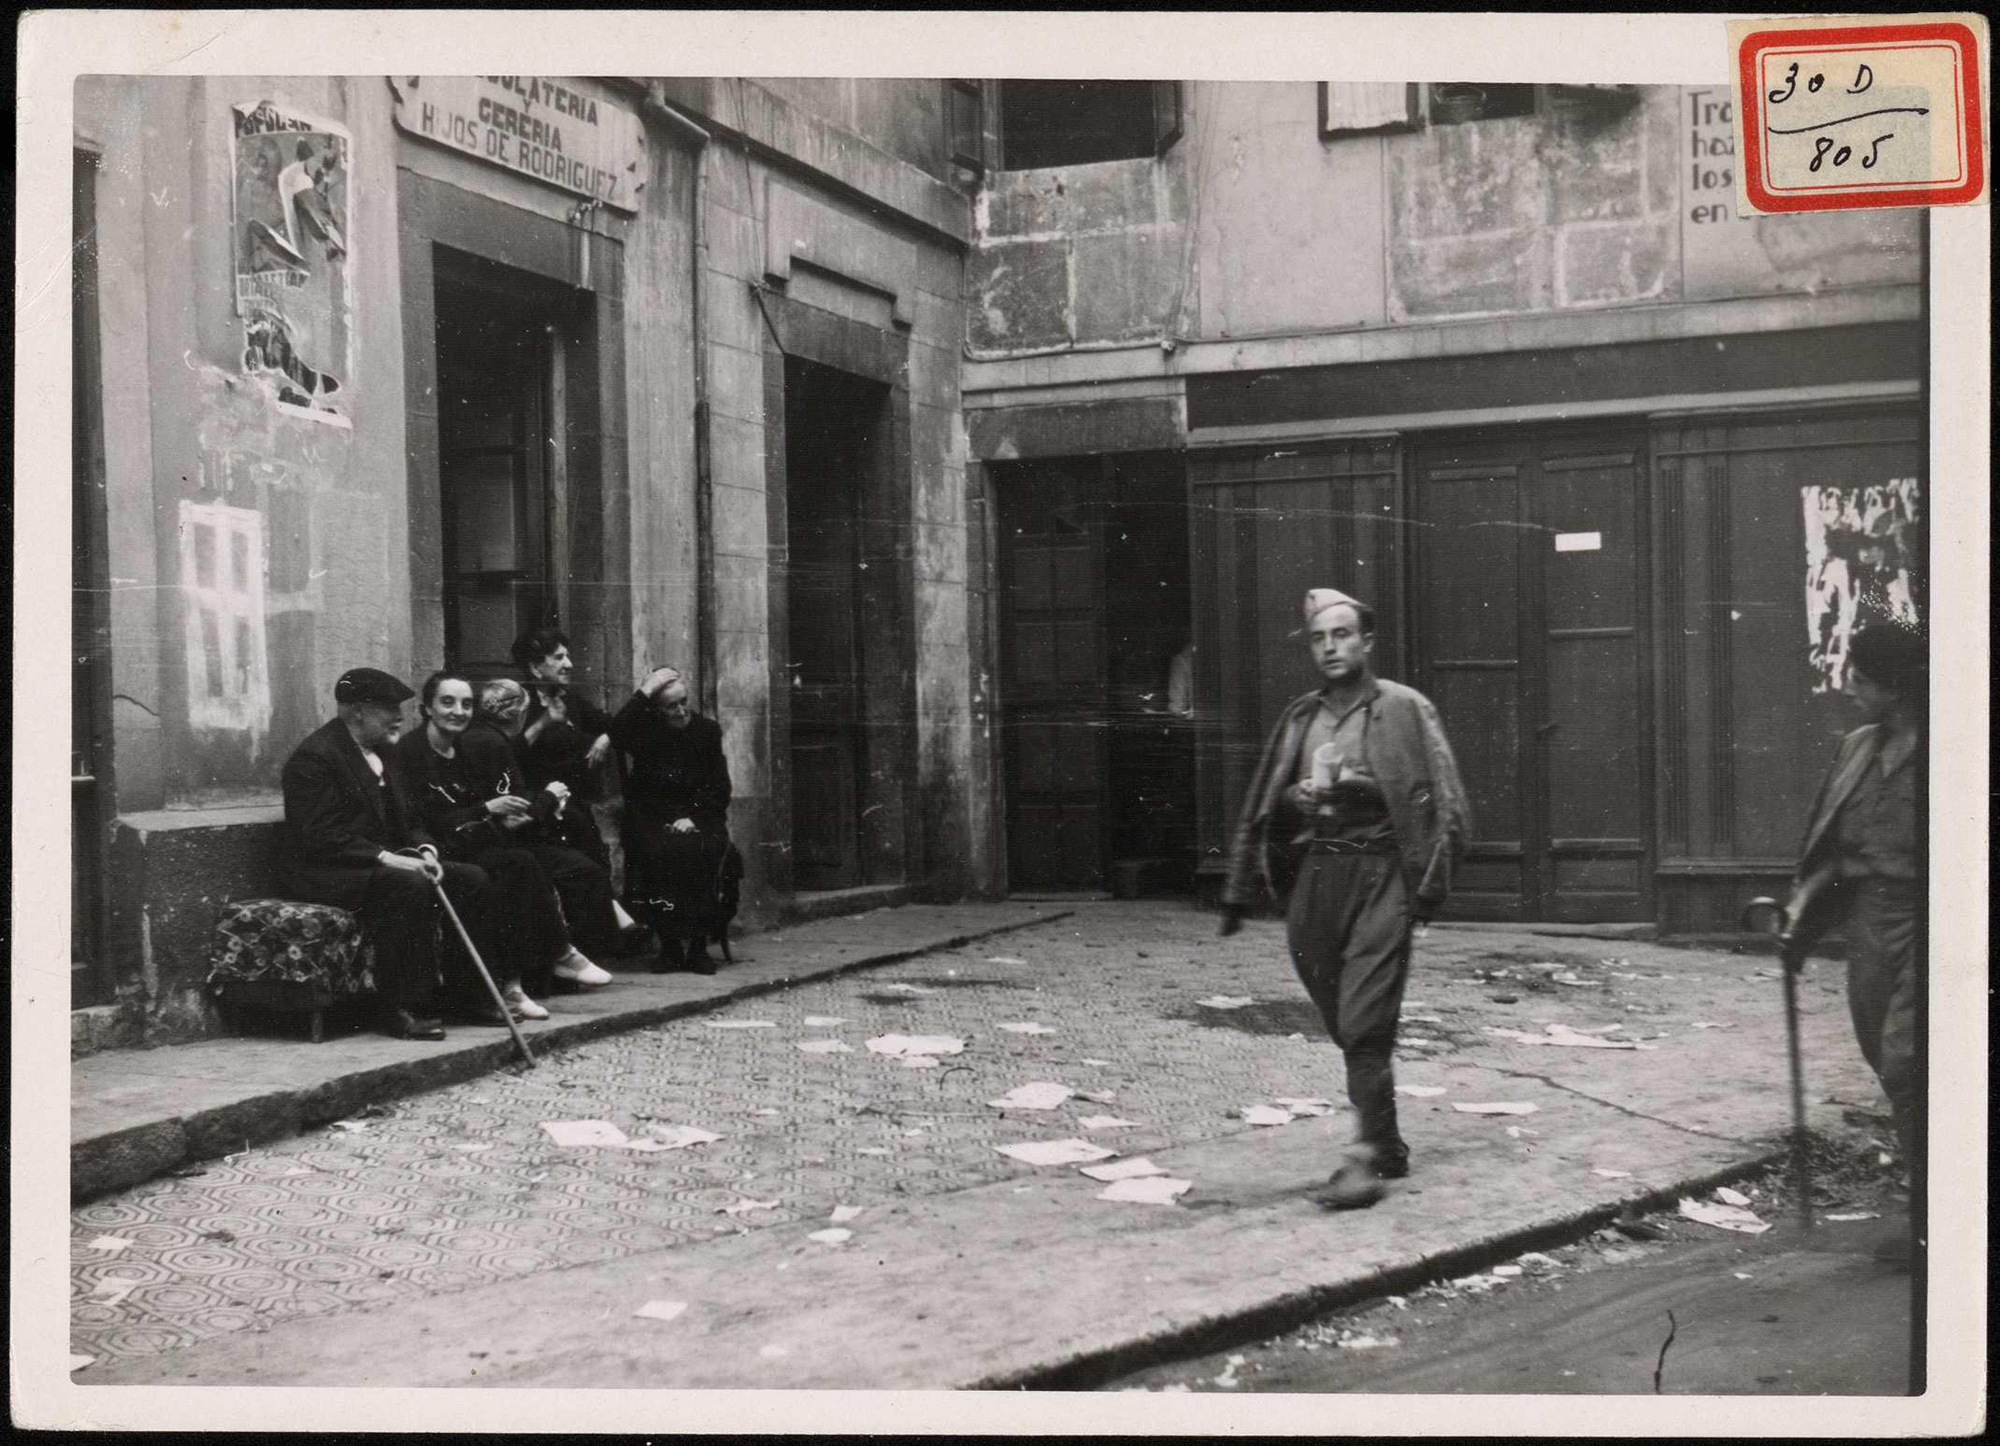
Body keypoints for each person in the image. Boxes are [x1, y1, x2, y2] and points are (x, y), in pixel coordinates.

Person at [1218, 588, 1471, 1209]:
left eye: (1342, 635)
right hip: (1315, 880)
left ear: (1367, 642)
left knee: (1363, 1022)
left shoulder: (1407, 709)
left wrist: (1426, 888)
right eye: (1318, 638)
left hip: (1382, 874)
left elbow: (1450, 804)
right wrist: (1293, 802)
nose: (1330, 647)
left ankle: (1362, 1161)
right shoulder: (1301, 716)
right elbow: (1264, 797)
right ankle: (1386, 1142)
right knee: (1343, 1020)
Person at [1778, 622, 1925, 1269]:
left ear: (1895, 685)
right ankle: (1928, 1207)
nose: (1849, 689)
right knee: (1885, 1060)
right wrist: (1799, 922)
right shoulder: (1856, 748)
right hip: (1867, 921)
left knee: (1907, 1062)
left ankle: (1937, 1217)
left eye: (1860, 679)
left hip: (1933, 922)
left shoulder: (1951, 746)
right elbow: (1827, 848)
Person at [279, 667, 488, 1041]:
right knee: (407, 885)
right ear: (358, 711)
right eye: (389, 708)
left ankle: (464, 996)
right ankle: (398, 1009)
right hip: (326, 872)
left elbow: (411, 817)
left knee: (471, 879)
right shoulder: (316, 758)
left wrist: (425, 849)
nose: (399, 716)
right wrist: (386, 858)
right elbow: (319, 836)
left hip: (377, 866)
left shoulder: (386, 754)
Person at [395, 672, 613, 1018]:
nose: (458, 711)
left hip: (470, 841)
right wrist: (486, 811)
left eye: (466, 704)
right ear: (427, 709)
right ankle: (544, 965)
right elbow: (420, 822)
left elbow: (482, 804)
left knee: (520, 862)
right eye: (447, 702)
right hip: (434, 849)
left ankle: (522, 980)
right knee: (497, 872)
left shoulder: (464, 748)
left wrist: (503, 815)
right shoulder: (410, 753)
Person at [468, 676, 632, 968]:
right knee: (582, 867)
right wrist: (549, 798)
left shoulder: (487, 739)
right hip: (501, 843)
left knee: (577, 832)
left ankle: (600, 923)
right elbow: (511, 816)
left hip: (507, 832)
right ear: (519, 714)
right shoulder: (492, 744)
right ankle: (573, 955)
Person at [612, 667, 737, 975]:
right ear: (656, 710)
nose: (681, 711)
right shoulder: (646, 733)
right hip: (655, 818)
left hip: (701, 817)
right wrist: (644, 690)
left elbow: (719, 786)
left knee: (702, 850)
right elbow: (616, 733)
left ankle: (697, 948)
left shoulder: (707, 731)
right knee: (655, 853)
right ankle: (669, 947)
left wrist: (692, 817)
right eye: (671, 706)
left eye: (684, 702)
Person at [511, 627, 616, 874]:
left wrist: (606, 738)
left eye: (568, 656)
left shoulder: (569, 699)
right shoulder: (519, 704)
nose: (569, 664)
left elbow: (612, 724)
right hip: (539, 810)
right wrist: (544, 722)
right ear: (536, 668)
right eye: (559, 657)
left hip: (576, 807)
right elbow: (509, 756)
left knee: (598, 868)